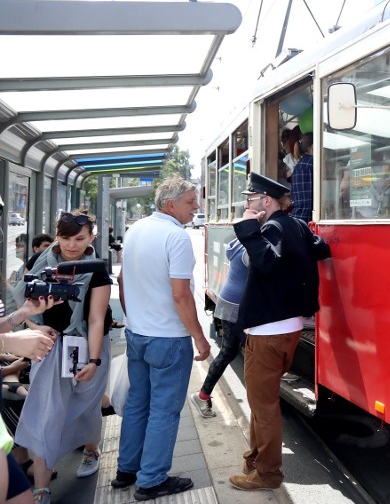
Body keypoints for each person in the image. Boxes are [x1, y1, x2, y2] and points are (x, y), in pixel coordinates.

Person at [228, 173, 330, 492]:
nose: (247, 204)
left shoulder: (270, 227)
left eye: (251, 199)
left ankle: (268, 472)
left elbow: (267, 262)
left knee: (263, 404)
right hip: (290, 328)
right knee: (262, 399)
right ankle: (255, 458)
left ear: (266, 201)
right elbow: (322, 248)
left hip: (268, 331)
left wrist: (247, 227)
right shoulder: (297, 225)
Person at [112, 177, 210, 501]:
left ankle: (126, 469)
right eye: (191, 201)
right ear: (171, 205)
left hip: (137, 334)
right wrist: (200, 338)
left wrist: (133, 316)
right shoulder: (176, 237)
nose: (196, 206)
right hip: (168, 339)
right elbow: (181, 296)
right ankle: (151, 479)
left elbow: (123, 279)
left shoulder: (136, 229)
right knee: (165, 410)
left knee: (139, 403)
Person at [13, 210, 112, 503]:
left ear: (91, 238)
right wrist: (34, 325)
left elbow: (95, 319)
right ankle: (42, 487)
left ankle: (90, 449)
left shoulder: (96, 268)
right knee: (46, 412)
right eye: (66, 238)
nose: (72, 245)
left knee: (86, 403)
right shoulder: (39, 262)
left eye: (79, 238)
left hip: (90, 343)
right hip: (50, 344)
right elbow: (27, 307)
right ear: (56, 236)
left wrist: (94, 361)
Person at [189, 238, 248, 419]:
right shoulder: (254, 244)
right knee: (248, 353)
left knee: (228, 352)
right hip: (238, 306)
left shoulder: (238, 241)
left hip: (228, 300)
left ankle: (203, 395)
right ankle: (202, 395)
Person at [289, 132, 314, 222]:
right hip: (306, 219)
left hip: (298, 217)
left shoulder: (299, 165)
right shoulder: (313, 164)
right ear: (313, 147)